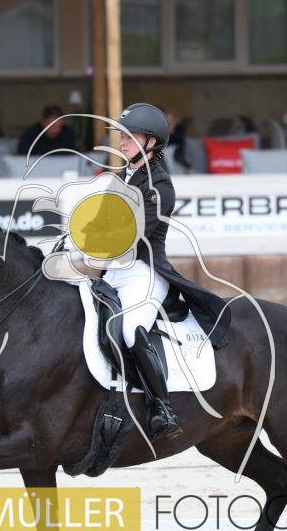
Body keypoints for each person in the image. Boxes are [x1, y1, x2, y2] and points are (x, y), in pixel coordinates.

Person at [87, 103, 231, 441]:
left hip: (144, 271)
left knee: (131, 330)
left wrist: (99, 238)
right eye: (121, 135)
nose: (122, 141)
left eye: (130, 136)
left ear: (151, 142)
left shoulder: (160, 186)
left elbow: (132, 235)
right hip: (112, 272)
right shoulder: (118, 180)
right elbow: (95, 226)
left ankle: (161, 408)